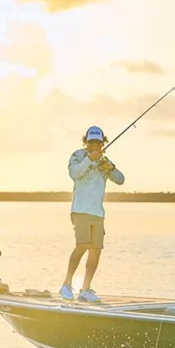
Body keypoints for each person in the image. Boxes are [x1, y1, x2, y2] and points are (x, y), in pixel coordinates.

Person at [59, 126, 125, 303]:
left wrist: (110, 167)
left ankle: (85, 289)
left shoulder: (105, 161)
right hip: (81, 210)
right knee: (83, 245)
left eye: (98, 142)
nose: (95, 145)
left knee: (96, 249)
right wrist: (90, 159)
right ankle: (66, 284)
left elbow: (120, 180)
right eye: (91, 142)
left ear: (103, 142)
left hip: (98, 213)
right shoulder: (78, 156)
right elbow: (75, 174)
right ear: (85, 141)